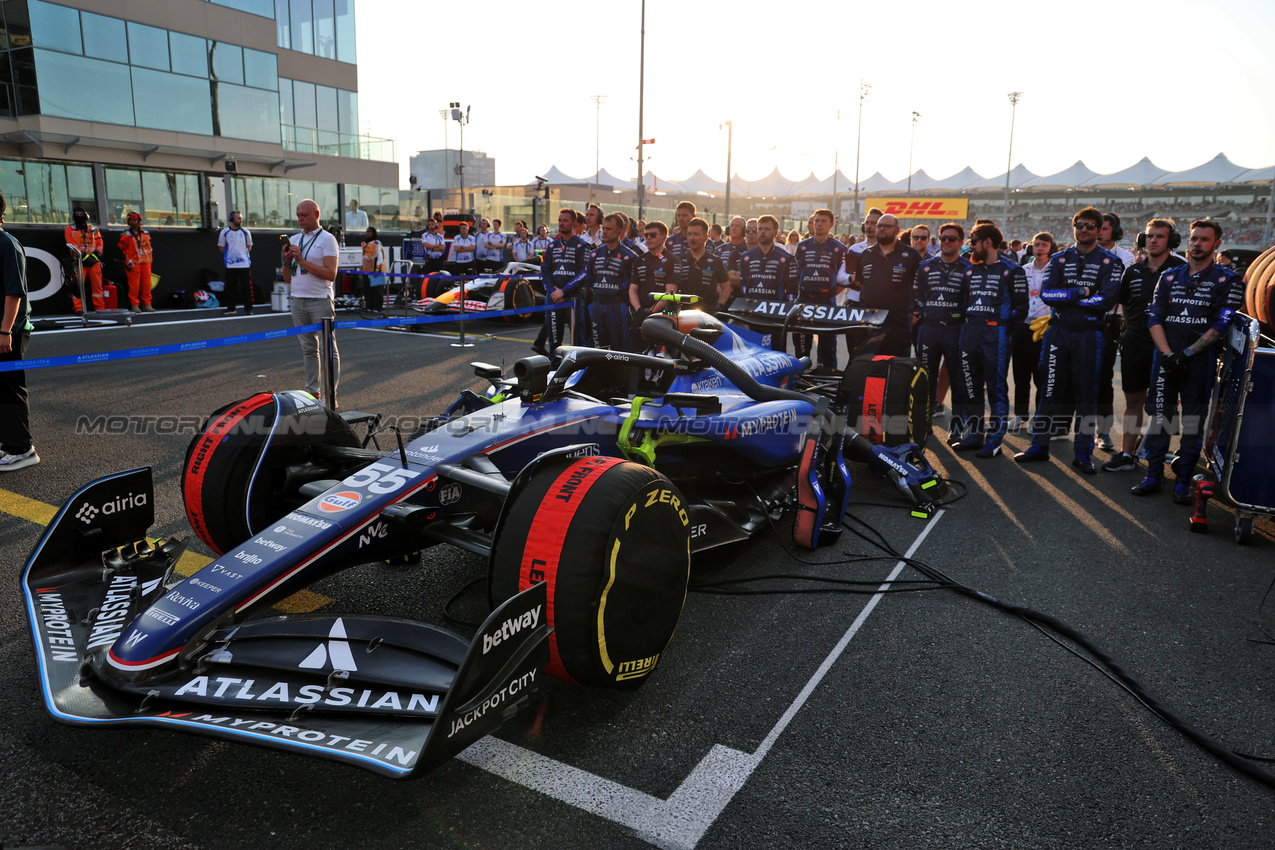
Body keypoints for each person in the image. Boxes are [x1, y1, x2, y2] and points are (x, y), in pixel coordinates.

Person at [1131, 220, 1241, 501]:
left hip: (1199, 361)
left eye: (1204, 240)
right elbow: (1154, 318)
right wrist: (1168, 354)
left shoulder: (1228, 280)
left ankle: (1183, 481)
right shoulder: (1169, 277)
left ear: (1216, 244)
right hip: (1166, 357)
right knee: (1159, 420)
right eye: (1194, 239)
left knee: (1192, 423)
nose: (1197, 244)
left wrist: (1188, 353)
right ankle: (1153, 474)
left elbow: (1222, 324)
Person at [1014, 207, 1124, 472]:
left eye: (1089, 226)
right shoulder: (1060, 260)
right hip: (1058, 332)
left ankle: (1083, 454)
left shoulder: (1111, 262)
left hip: (1090, 334)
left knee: (1086, 395)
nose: (1084, 229)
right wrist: (1082, 291)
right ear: (1073, 228)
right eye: (1079, 225)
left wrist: (1072, 297)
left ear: (1099, 230)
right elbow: (1047, 295)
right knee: (1049, 391)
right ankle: (1039, 446)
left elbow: (1107, 300)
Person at [1103, 220, 1183, 473]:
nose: (1153, 240)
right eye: (1149, 236)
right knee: (1133, 400)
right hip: (1135, 343)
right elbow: (1125, 306)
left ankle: (1156, 459)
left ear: (1171, 241)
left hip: (1168, 346)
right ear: (1142, 239)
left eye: (1160, 236)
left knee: (1164, 404)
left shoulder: (1182, 269)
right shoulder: (1133, 271)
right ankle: (1127, 454)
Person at [953, 223, 1028, 458]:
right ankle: (975, 435)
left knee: (996, 387)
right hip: (970, 332)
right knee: (970, 386)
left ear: (987, 242)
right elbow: (963, 302)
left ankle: (995, 439)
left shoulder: (1012, 270)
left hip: (996, 334)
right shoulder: (969, 270)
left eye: (973, 241)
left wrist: (1002, 328)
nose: (970, 245)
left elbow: (1021, 308)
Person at [915, 223, 972, 445]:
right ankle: (923, 423)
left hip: (955, 329)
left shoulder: (968, 269)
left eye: (951, 239)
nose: (946, 242)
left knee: (958, 380)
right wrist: (923, 311)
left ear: (960, 242)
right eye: (943, 238)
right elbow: (916, 294)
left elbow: (970, 299)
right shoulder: (926, 267)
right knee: (925, 378)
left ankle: (956, 428)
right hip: (929, 329)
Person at [282, 199, 341, 401]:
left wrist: (301, 261)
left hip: (320, 300)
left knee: (327, 350)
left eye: (304, 215)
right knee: (308, 349)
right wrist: (286, 261)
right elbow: (288, 277)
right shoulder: (294, 239)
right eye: (298, 215)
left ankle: (329, 395)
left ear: (316, 214)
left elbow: (331, 274)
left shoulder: (327, 239)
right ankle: (312, 393)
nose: (300, 219)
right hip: (297, 300)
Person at [1093, 212, 1138, 450]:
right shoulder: (1080, 253)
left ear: (1116, 232)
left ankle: (1103, 431)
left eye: (1104, 228)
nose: (1099, 232)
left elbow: (1119, 290)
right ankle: (1062, 426)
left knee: (1103, 379)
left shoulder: (1125, 257)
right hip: (1080, 322)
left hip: (1109, 322)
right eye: (1096, 228)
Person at [851, 213, 923, 360]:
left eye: (887, 226)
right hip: (868, 322)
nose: (881, 229)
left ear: (897, 230)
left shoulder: (911, 255)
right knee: (867, 366)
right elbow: (860, 282)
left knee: (894, 369)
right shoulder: (866, 254)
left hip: (897, 325)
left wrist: (916, 311)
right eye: (879, 226)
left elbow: (920, 286)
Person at [0, 190, 37, 471]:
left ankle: (22, 449)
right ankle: (8, 441)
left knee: (11, 388)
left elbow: (15, 293)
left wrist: (4, 332)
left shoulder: (7, 245)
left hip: (8, 331)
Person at [791, 209, 851, 371]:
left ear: (831, 224)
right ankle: (798, 383)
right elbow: (795, 274)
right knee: (801, 350)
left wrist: (830, 293)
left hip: (827, 303)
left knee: (827, 348)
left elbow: (843, 279)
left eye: (823, 221)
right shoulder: (802, 247)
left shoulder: (839, 248)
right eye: (816, 221)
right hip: (803, 301)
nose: (819, 224)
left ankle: (828, 383)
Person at [1009, 232, 1054, 430]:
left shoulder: (1055, 270)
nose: (1040, 248)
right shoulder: (1023, 270)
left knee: (1041, 376)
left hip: (1045, 328)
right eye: (1036, 245)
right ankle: (1021, 415)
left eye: (1044, 245)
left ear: (1050, 248)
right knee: (1020, 376)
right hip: (1023, 327)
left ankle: (1039, 417)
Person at [736, 214, 797, 351]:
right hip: (752, 316)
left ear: (776, 233)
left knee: (775, 356)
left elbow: (792, 292)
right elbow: (744, 287)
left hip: (774, 318)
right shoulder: (746, 257)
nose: (762, 232)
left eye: (767, 229)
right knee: (751, 355)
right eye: (760, 228)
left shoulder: (787, 259)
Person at [581, 213, 638, 350]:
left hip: (618, 307)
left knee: (620, 347)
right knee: (597, 346)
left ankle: (620, 372)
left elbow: (633, 286)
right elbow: (588, 280)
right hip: (597, 305)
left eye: (609, 229)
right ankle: (600, 372)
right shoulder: (595, 254)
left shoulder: (630, 256)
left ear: (620, 231)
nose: (605, 232)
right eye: (604, 229)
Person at [540, 207, 591, 360]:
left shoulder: (583, 246)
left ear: (574, 224)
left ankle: (579, 371)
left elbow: (584, 272)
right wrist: (553, 291)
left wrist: (564, 291)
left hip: (574, 299)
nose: (561, 223)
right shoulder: (552, 246)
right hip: (554, 298)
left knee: (578, 339)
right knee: (554, 339)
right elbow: (545, 270)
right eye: (560, 220)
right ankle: (554, 371)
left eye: (565, 221)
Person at [628, 219, 674, 350]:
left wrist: (651, 311)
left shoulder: (672, 260)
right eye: (646, 235)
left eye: (653, 235)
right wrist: (639, 310)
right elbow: (632, 289)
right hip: (639, 314)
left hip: (661, 317)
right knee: (635, 354)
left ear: (664, 237)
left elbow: (671, 292)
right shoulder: (640, 259)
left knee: (658, 358)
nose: (648, 238)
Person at [671, 217, 730, 313]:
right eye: (689, 234)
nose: (692, 238)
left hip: (707, 316)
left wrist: (719, 306)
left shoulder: (716, 261)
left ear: (706, 237)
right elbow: (672, 289)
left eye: (696, 234)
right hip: (683, 315)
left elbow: (726, 287)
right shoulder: (680, 261)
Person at [64, 207, 105, 312]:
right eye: (76, 214)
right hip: (78, 261)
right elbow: (71, 243)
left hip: (94, 262)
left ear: (86, 216)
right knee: (78, 287)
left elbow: (99, 243)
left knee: (98, 288)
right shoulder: (70, 229)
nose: (79, 216)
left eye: (80, 214)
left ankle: (100, 308)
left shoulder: (93, 229)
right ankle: (79, 309)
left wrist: (95, 257)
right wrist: (85, 257)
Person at [117, 212, 155, 314]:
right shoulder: (126, 235)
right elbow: (122, 249)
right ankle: (135, 305)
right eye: (131, 220)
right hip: (133, 262)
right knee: (134, 285)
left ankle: (147, 304)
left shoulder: (145, 233)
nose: (133, 222)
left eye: (134, 220)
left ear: (139, 221)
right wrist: (127, 259)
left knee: (147, 284)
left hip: (146, 262)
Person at [218, 210, 253, 315]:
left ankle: (249, 309)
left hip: (244, 264)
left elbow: (249, 247)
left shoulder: (246, 232)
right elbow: (221, 248)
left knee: (246, 287)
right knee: (230, 287)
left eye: (241, 218)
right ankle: (231, 308)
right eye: (238, 218)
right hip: (230, 264)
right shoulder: (224, 232)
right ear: (231, 219)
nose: (240, 220)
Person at [360, 226, 387, 311]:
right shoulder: (365, 243)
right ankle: (369, 306)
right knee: (367, 288)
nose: (367, 233)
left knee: (376, 289)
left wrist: (378, 268)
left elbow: (380, 256)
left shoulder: (377, 243)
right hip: (366, 269)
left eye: (369, 232)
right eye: (366, 232)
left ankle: (377, 307)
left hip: (375, 267)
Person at [718, 216, 748, 290]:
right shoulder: (719, 249)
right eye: (732, 226)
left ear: (744, 230)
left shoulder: (749, 250)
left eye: (737, 226)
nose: (733, 228)